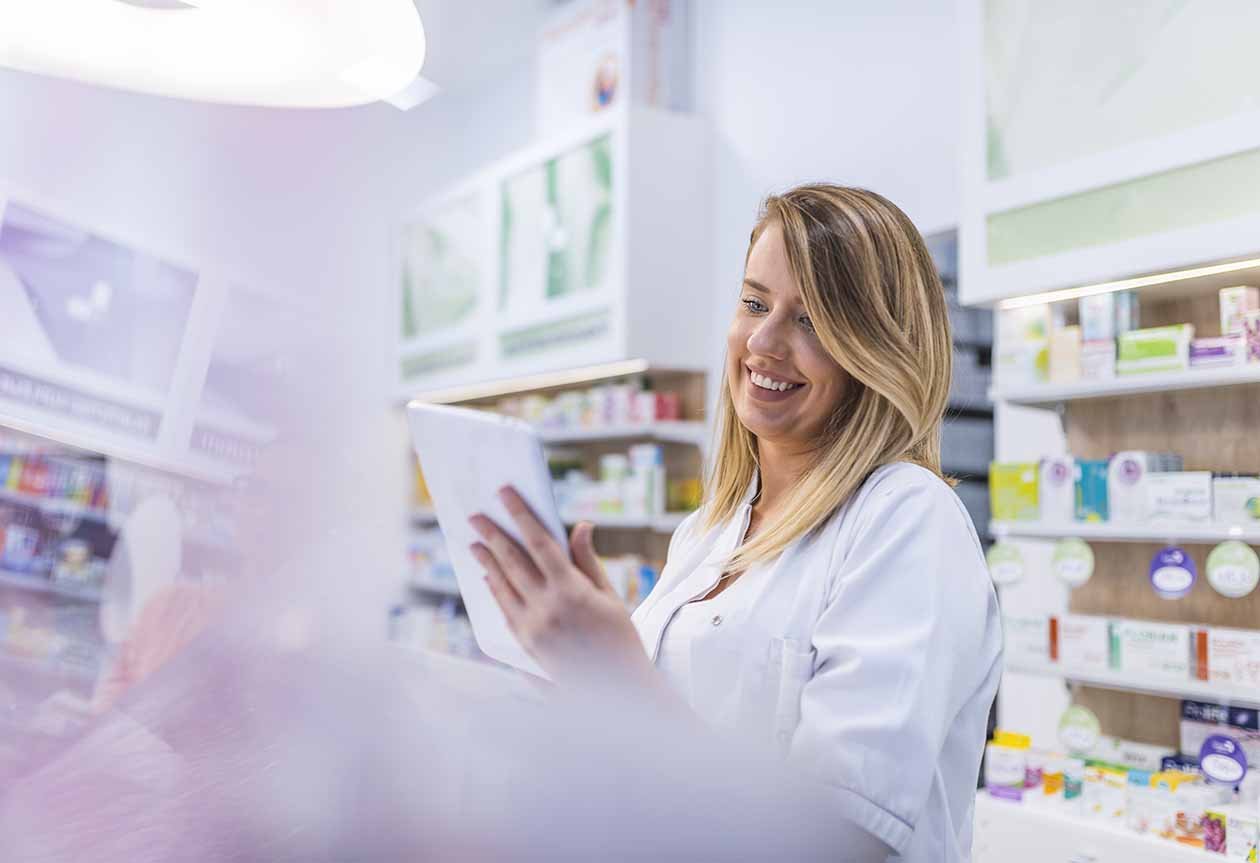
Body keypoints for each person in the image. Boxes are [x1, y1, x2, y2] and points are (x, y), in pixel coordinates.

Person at [469, 183, 1003, 862]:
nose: (764, 340)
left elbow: (837, 838)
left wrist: (620, 680)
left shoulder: (907, 518)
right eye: (754, 302)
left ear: (877, 347)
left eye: (811, 320)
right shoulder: (706, 534)